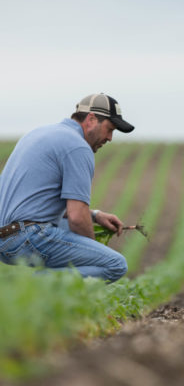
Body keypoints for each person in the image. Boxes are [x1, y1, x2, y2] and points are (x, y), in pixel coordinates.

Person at [0, 93, 135, 281]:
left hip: (5, 238)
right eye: (109, 129)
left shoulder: (38, 134)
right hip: (26, 238)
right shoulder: (78, 147)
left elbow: (36, 204)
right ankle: (28, 287)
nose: (110, 138)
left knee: (69, 231)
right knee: (114, 264)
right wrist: (93, 253)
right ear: (91, 119)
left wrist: (95, 216)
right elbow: (77, 217)